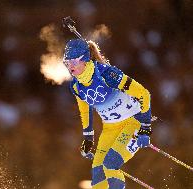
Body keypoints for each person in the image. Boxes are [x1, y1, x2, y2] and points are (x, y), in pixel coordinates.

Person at [63, 39, 152, 189]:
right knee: (98, 174)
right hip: (110, 128)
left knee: (110, 165)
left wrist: (145, 126)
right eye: (67, 62)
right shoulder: (76, 86)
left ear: (85, 60)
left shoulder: (107, 74)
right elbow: (85, 109)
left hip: (133, 123)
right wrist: (88, 137)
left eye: (73, 62)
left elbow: (143, 94)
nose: (69, 67)